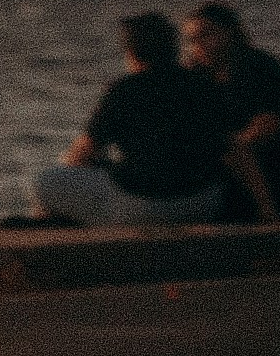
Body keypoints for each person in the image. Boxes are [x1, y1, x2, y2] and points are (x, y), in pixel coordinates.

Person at [17, 11, 236, 228]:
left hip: (147, 206)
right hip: (203, 203)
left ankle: (50, 224)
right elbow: (232, 148)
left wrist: (70, 175)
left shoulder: (125, 89)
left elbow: (83, 152)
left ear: (132, 53)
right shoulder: (203, 85)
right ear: (173, 48)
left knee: (45, 182)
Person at [186, 1, 280, 221]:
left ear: (230, 33)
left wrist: (214, 152)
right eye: (193, 40)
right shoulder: (203, 75)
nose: (199, 45)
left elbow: (263, 130)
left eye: (207, 35)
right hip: (245, 180)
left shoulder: (260, 71)